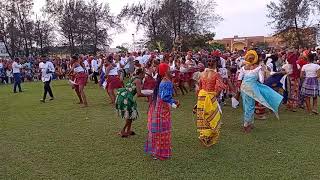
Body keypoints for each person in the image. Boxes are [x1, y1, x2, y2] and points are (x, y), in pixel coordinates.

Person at [238, 50, 283, 133]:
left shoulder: (243, 68)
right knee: (250, 106)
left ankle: (249, 123)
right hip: (251, 88)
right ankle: (246, 125)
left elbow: (239, 78)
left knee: (246, 105)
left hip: (243, 87)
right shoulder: (258, 68)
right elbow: (261, 80)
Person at [145, 63, 179, 160]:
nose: (171, 70)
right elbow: (165, 97)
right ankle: (159, 153)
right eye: (169, 69)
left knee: (157, 130)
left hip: (157, 107)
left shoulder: (162, 80)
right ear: (165, 71)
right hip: (162, 109)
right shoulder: (166, 82)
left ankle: (155, 152)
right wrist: (174, 102)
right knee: (162, 131)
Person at [195, 57, 226, 147]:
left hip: (202, 96)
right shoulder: (216, 74)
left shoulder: (202, 74)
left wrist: (200, 95)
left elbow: (199, 86)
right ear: (216, 63)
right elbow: (219, 87)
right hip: (210, 97)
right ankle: (207, 136)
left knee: (203, 115)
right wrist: (215, 95)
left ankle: (203, 135)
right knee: (212, 116)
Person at [116, 68, 150, 137]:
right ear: (140, 74)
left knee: (130, 114)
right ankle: (123, 130)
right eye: (144, 74)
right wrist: (150, 94)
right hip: (127, 98)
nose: (145, 75)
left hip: (123, 96)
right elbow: (139, 93)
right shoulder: (138, 80)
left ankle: (128, 130)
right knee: (130, 115)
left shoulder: (133, 77)